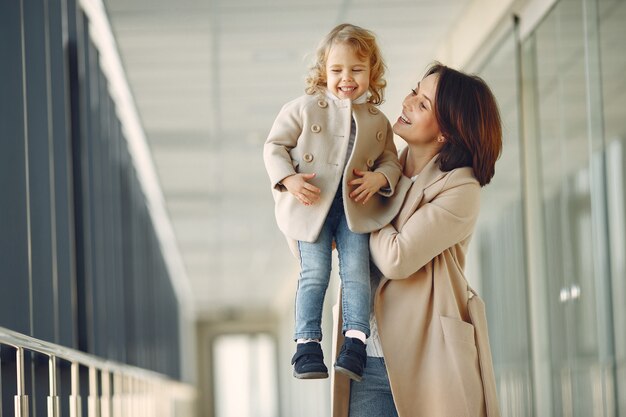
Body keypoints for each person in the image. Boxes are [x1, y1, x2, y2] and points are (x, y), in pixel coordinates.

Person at [332, 62, 503, 417]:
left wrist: (359, 211)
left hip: (429, 360)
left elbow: (397, 258)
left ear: (446, 134)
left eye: (423, 104)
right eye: (414, 91)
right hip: (364, 357)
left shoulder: (460, 187)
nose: (408, 102)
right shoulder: (382, 163)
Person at [263, 23, 405, 381]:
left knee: (356, 273)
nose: (346, 78)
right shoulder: (303, 108)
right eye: (337, 70)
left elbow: (390, 160)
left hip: (355, 208)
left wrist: (380, 178)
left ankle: (355, 341)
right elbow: (274, 147)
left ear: (372, 72)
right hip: (313, 206)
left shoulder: (377, 120)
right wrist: (289, 179)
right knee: (315, 273)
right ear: (323, 71)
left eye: (357, 70)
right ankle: (307, 344)